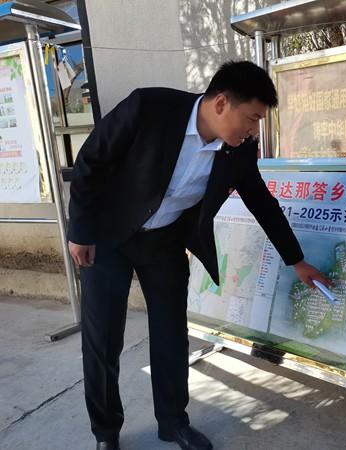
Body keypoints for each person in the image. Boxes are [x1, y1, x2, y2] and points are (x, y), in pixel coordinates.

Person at [68, 61, 329, 450]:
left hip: (164, 242)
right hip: (107, 237)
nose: (254, 130)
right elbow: (91, 162)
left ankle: (173, 421)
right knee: (103, 340)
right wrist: (80, 231)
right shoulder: (148, 108)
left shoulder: (239, 151)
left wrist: (296, 260)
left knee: (171, 336)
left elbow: (261, 202)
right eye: (252, 118)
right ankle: (106, 433)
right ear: (221, 103)